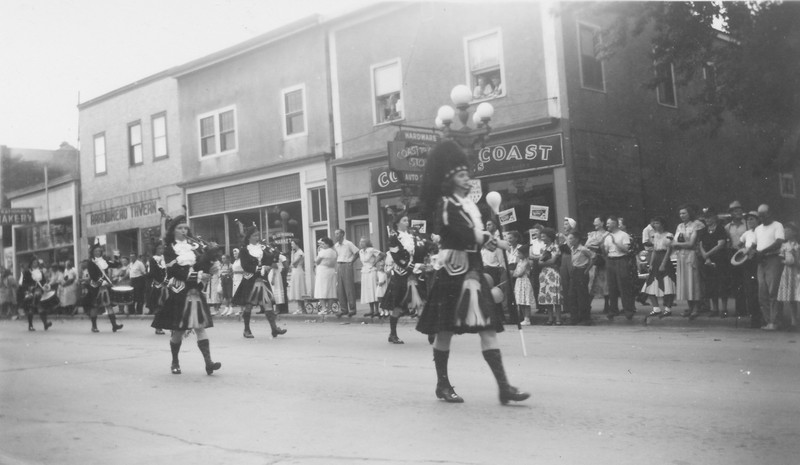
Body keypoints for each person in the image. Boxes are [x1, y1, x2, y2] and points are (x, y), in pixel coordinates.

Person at [415, 140, 528, 405]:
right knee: (445, 331)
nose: (468, 180)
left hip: (473, 272)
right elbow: (462, 233)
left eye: (468, 175)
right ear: (451, 179)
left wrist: (489, 239)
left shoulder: (468, 206)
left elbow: (474, 236)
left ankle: (504, 387)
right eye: (463, 175)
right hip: (453, 273)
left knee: (488, 328)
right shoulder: (446, 206)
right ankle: (443, 385)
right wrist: (491, 239)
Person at [151, 216, 221, 375]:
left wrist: (209, 255)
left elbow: (199, 265)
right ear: (173, 231)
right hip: (180, 292)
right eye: (180, 228)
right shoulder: (169, 249)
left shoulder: (193, 247)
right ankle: (175, 361)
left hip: (195, 291)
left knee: (200, 327)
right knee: (179, 331)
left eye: (185, 228)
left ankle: (208, 363)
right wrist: (196, 276)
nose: (184, 231)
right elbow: (173, 271)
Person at [231, 225, 286, 339]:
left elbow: (269, 261)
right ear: (249, 237)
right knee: (249, 305)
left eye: (258, 235)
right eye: (255, 235)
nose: (257, 237)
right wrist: (261, 268)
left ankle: (274, 329)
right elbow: (245, 266)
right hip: (250, 280)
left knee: (267, 304)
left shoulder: (262, 248)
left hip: (262, 280)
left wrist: (275, 255)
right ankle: (246, 329)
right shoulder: (245, 250)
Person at [380, 215, 417, 344]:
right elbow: (396, 256)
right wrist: (408, 266)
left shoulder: (413, 236)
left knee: (422, 301)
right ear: (397, 223)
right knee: (398, 305)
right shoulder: (394, 238)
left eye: (408, 220)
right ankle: (393, 334)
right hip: (401, 273)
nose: (408, 222)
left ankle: (431, 332)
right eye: (404, 220)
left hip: (416, 272)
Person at [753, 204, 785, 331]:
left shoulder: (778, 225)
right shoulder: (758, 229)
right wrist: (752, 252)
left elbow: (779, 242)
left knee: (773, 291)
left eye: (764, 214)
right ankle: (768, 321)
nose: (762, 217)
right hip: (761, 261)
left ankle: (775, 321)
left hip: (773, 259)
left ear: (770, 213)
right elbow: (754, 244)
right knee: (762, 292)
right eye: (759, 215)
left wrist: (763, 251)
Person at [640, 217, 677, 318]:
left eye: (657, 223)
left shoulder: (669, 235)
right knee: (650, 284)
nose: (655, 225)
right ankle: (656, 308)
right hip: (656, 260)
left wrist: (663, 264)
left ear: (662, 224)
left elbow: (669, 251)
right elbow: (654, 251)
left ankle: (668, 308)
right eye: (654, 223)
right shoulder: (654, 236)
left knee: (667, 284)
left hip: (664, 259)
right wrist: (651, 264)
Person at [673, 204, 705, 318]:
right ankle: (690, 307)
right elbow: (674, 242)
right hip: (681, 256)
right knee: (685, 282)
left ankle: (697, 308)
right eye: (680, 213)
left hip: (691, 256)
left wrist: (677, 244)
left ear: (690, 213)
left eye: (684, 213)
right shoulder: (680, 226)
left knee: (693, 282)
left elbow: (692, 243)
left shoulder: (696, 225)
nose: (682, 215)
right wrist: (678, 244)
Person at [85, 245, 123, 333]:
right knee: (94, 306)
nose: (98, 252)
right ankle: (94, 326)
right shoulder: (91, 262)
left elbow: (116, 265)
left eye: (99, 251)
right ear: (93, 252)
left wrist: (116, 256)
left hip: (105, 286)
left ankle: (114, 325)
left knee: (109, 305)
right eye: (96, 251)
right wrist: (101, 282)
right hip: (96, 287)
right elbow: (93, 275)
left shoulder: (104, 260)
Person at [697, 208, 728, 317]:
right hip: (707, 261)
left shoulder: (720, 229)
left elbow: (720, 244)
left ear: (715, 218)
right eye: (705, 218)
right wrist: (706, 257)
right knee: (711, 285)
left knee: (722, 285)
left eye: (709, 217)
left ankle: (724, 309)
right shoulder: (703, 231)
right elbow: (700, 245)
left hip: (720, 260)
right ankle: (714, 309)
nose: (707, 220)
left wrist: (708, 254)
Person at [603, 216, 635, 320]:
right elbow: (606, 252)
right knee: (612, 286)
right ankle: (613, 310)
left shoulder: (623, 235)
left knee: (623, 286)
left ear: (614, 224)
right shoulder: (607, 237)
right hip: (610, 260)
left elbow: (626, 249)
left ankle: (628, 310)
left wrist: (615, 242)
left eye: (609, 223)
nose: (607, 225)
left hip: (621, 260)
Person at [724, 201, 748, 316]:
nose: (738, 212)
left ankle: (751, 308)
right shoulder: (728, 227)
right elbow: (727, 242)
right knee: (737, 282)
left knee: (747, 281)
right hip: (735, 255)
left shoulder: (747, 224)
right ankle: (740, 309)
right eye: (735, 210)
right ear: (731, 213)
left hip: (747, 254)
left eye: (739, 210)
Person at [567, 231, 594, 325]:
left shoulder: (583, 249)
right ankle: (574, 318)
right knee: (572, 295)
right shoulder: (572, 249)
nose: (569, 240)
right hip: (574, 271)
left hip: (581, 271)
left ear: (577, 239)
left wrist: (587, 269)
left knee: (582, 296)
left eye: (571, 238)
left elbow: (593, 258)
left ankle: (585, 318)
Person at [538, 228, 563, 325]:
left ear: (549, 237)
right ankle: (550, 318)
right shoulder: (543, 248)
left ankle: (558, 319)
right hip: (544, 273)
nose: (542, 238)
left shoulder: (555, 247)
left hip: (553, 273)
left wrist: (544, 262)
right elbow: (541, 262)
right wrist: (546, 263)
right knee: (547, 296)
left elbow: (552, 261)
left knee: (555, 296)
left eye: (544, 236)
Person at [777, 222, 799, 330]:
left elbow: (797, 260)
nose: (785, 233)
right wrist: (784, 261)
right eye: (785, 231)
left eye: (788, 231)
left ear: (794, 232)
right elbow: (781, 258)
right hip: (788, 271)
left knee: (797, 295)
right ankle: (793, 321)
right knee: (791, 297)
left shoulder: (797, 245)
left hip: (796, 271)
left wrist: (794, 260)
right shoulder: (784, 245)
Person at [586, 217, 610, 313]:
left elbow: (605, 247)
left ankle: (607, 304)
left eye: (597, 222)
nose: (594, 223)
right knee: (592, 283)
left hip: (603, 260)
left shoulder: (607, 235)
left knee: (605, 283)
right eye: (594, 221)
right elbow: (586, 245)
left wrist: (593, 246)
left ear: (602, 223)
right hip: (593, 261)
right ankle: (588, 305)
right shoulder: (592, 234)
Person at [333, 229, 359, 317]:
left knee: (349, 287)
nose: (336, 235)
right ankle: (344, 309)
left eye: (337, 234)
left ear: (342, 234)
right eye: (335, 234)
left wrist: (351, 262)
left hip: (347, 264)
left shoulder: (348, 243)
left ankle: (352, 309)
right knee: (340, 288)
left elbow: (357, 252)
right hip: (339, 264)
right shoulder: (336, 245)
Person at [20, 258, 52, 331]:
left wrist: (46, 285)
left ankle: (45, 324)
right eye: (34, 262)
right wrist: (29, 287)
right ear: (31, 264)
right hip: (31, 291)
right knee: (31, 308)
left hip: (40, 290)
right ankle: (30, 325)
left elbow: (43, 281)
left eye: (37, 262)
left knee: (41, 307)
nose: (36, 264)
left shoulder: (40, 271)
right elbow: (23, 283)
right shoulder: (27, 272)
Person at [147, 243, 168, 334]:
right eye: (159, 248)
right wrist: (161, 281)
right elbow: (152, 273)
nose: (161, 250)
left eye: (162, 248)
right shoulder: (153, 260)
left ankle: (164, 326)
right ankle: (158, 327)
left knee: (167, 306)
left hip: (167, 284)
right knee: (160, 306)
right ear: (155, 250)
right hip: (159, 286)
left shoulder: (165, 258)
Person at [314, 237, 338, 314]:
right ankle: (330, 309)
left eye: (324, 244)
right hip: (331, 270)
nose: (322, 245)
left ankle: (324, 308)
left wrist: (318, 252)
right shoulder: (334, 252)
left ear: (328, 244)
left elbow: (317, 261)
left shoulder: (322, 252)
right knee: (330, 289)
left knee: (321, 289)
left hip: (323, 271)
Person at [513, 245, 535, 325]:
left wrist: (516, 274)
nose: (517, 255)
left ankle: (527, 318)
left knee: (526, 301)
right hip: (519, 282)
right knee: (521, 301)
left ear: (524, 254)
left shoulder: (527, 262)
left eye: (519, 253)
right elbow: (515, 272)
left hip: (524, 281)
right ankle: (524, 317)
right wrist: (515, 274)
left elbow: (520, 273)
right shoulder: (519, 262)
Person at [358, 237, 380, 317]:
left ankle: (377, 310)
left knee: (373, 290)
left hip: (371, 271)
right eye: (360, 242)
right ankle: (371, 310)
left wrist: (375, 262)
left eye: (363, 242)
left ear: (367, 243)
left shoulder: (371, 250)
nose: (361, 243)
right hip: (364, 271)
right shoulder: (360, 251)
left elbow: (381, 254)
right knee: (367, 291)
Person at [287, 239, 307, 314]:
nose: (292, 245)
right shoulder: (296, 252)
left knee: (299, 289)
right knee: (296, 289)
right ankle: (301, 308)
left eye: (293, 244)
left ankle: (301, 308)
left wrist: (292, 255)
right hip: (295, 272)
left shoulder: (300, 253)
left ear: (296, 244)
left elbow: (294, 264)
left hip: (298, 271)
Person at [205, 250, 223, 316]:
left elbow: (216, 270)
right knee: (209, 294)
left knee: (215, 294)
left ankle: (216, 309)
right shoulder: (210, 262)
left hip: (215, 278)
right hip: (210, 279)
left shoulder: (217, 262)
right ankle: (210, 310)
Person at [230, 248, 243, 316]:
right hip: (235, 278)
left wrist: (236, 272)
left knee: (241, 293)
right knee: (237, 294)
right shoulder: (235, 261)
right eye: (234, 254)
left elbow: (244, 270)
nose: (235, 255)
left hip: (240, 278)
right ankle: (240, 309)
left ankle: (242, 309)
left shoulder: (241, 261)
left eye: (236, 254)